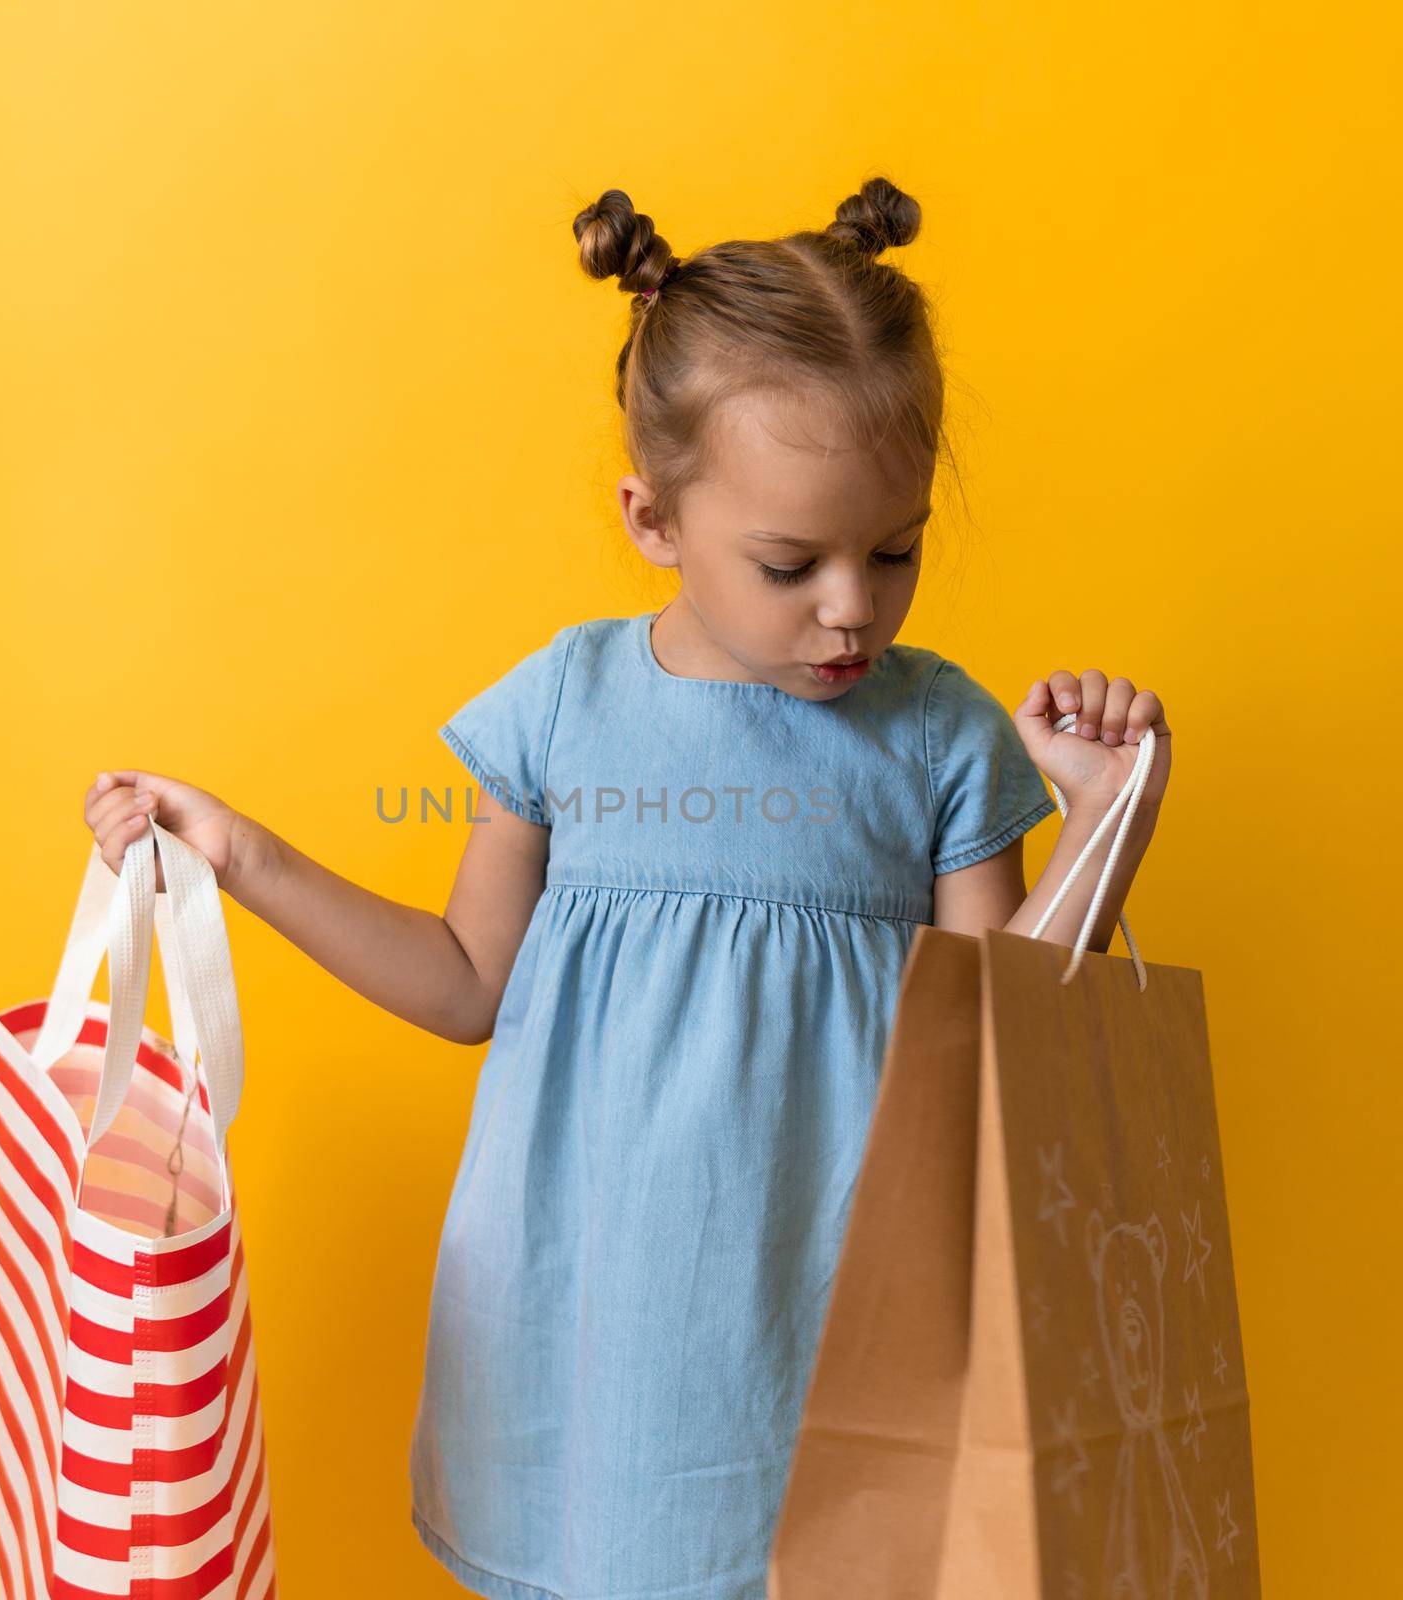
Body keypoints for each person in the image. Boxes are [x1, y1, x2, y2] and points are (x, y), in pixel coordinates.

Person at [83, 174, 1172, 1600]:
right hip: (596, 1340)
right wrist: (239, 852)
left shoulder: (944, 735)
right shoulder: (560, 709)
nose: (853, 603)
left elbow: (1000, 1056)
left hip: (846, 1316)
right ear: (652, 518)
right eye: (792, 563)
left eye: (894, 550)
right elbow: (468, 982)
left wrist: (1108, 820)